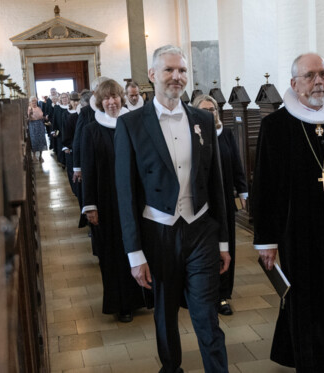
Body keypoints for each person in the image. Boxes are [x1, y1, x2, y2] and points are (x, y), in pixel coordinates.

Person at [114, 45, 230, 373]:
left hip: (200, 230)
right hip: (158, 232)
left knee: (207, 316)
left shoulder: (204, 120)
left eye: (181, 70)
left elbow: (216, 184)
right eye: (169, 70)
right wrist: (135, 254)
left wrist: (223, 242)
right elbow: (125, 194)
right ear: (153, 75)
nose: (176, 76)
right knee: (165, 316)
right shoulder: (131, 125)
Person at [250, 53, 324, 372]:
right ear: (294, 83)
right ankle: (314, 362)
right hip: (298, 234)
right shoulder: (276, 125)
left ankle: (311, 354)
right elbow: (265, 186)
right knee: (307, 307)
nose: (319, 81)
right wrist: (266, 241)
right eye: (310, 75)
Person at [81, 79, 151, 323]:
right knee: (114, 253)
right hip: (107, 200)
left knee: (139, 246)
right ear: (100, 102)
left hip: (134, 197)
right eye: (106, 98)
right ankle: (122, 304)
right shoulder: (92, 130)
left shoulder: (134, 123)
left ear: (121, 99)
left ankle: (143, 296)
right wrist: (90, 205)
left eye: (115, 97)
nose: (111, 102)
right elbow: (88, 170)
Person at [192, 95, 247, 316]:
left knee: (226, 248)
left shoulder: (226, 133)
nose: (209, 113)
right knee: (204, 249)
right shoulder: (193, 136)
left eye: (212, 109)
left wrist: (243, 190)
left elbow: (236, 163)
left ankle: (223, 294)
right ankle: (203, 292)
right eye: (204, 110)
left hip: (224, 202)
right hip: (200, 204)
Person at [62, 92, 83, 200]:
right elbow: (64, 131)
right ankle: (76, 191)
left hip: (81, 149)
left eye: (77, 101)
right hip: (71, 147)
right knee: (72, 171)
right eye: (74, 101)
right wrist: (67, 147)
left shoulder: (84, 114)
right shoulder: (68, 115)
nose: (76, 103)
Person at [26, 97, 47, 163]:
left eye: (35, 101)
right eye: (32, 101)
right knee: (34, 140)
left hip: (40, 124)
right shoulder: (29, 108)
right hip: (33, 125)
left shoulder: (39, 108)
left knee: (41, 140)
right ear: (30, 102)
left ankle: (41, 155)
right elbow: (28, 119)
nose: (34, 103)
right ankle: (34, 156)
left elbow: (41, 116)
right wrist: (30, 114)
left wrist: (45, 118)